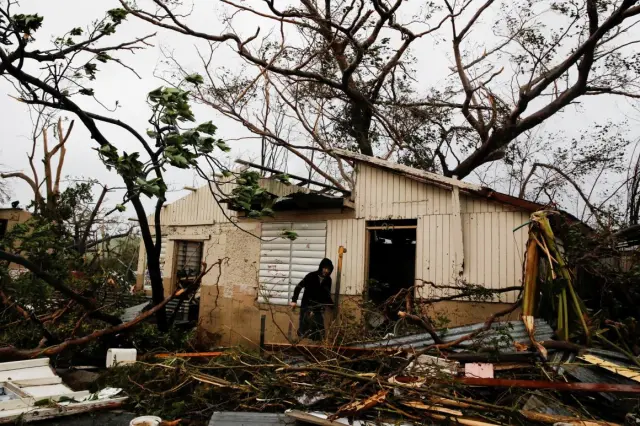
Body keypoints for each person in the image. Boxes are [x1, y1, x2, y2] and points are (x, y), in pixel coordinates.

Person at [290, 258, 334, 341]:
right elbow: (299, 287)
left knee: (319, 331)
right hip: (307, 305)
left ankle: (315, 349)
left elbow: (327, 295)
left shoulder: (328, 280)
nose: (326, 271)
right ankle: (301, 346)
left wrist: (332, 305)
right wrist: (294, 300)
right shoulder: (311, 276)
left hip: (318, 307)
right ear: (321, 267)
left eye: (328, 269)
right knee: (305, 328)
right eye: (325, 268)